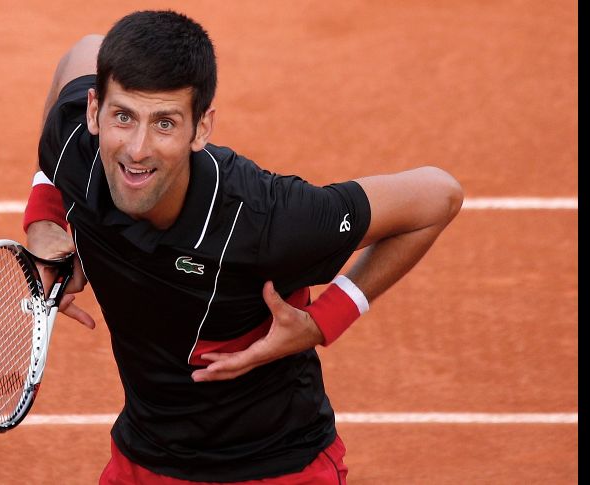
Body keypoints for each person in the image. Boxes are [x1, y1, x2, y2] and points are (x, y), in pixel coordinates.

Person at [23, 10, 463, 484]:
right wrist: (47, 218)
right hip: (144, 457)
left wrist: (322, 322)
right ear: (94, 110)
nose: (137, 148)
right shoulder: (78, 148)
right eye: (123, 116)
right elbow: (85, 48)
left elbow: (438, 195)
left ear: (201, 128)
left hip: (276, 467)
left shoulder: (267, 219)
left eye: (165, 123)